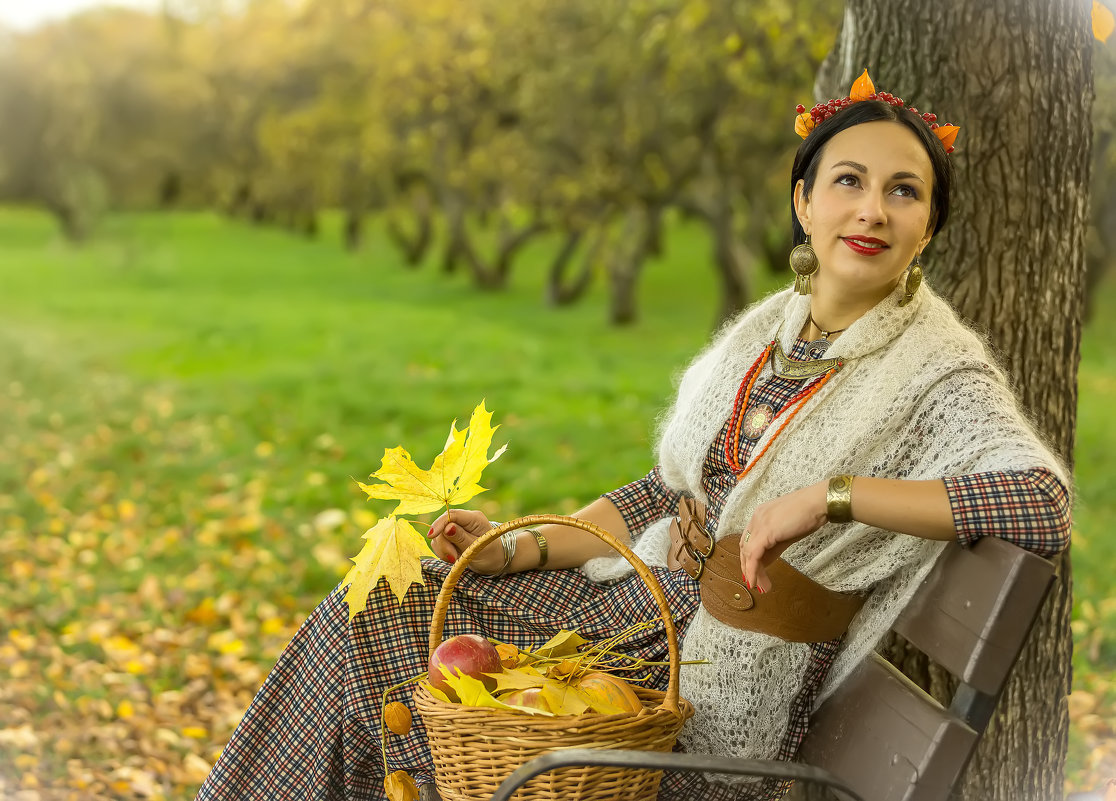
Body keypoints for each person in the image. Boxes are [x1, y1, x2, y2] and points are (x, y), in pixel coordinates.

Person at [196, 71, 1070, 801]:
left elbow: (1041, 499)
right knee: (378, 611)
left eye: (902, 191)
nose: (871, 209)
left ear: (927, 229)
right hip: (636, 608)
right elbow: (667, 493)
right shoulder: (771, 329)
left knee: (394, 655)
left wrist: (828, 498)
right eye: (848, 180)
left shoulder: (934, 373)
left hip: (710, 684)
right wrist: (528, 546)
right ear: (804, 204)